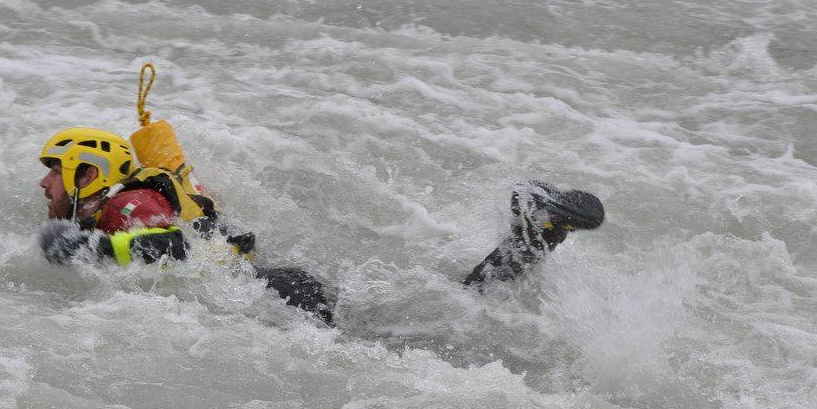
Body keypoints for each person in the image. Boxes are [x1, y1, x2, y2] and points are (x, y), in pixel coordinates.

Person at [35, 126, 604, 324]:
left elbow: (165, 248)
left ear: (90, 171)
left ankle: (538, 232)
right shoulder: (152, 195)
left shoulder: (125, 205)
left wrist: (87, 249)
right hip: (277, 286)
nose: (43, 186)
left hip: (273, 296)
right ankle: (536, 233)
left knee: (441, 333)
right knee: (449, 310)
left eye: (53, 174)